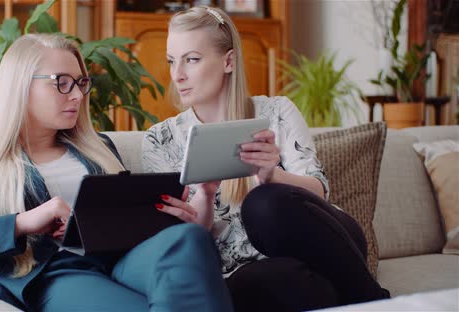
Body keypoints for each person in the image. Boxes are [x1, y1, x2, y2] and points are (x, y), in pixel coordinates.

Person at [0, 33, 234, 312]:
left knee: (188, 238)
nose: (77, 95)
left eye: (80, 83)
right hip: (54, 271)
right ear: (20, 86)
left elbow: (126, 220)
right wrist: (23, 222)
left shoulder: (99, 146)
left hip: (121, 258)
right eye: (61, 83)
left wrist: (166, 220)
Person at [142, 6, 390, 312]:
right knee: (271, 284)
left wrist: (273, 177)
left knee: (263, 203)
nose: (177, 75)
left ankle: (374, 302)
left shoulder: (277, 112)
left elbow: (320, 192)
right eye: (171, 61)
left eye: (191, 59)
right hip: (255, 271)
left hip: (326, 242)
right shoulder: (159, 140)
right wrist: (205, 195)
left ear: (228, 61)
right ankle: (364, 299)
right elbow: (185, 243)